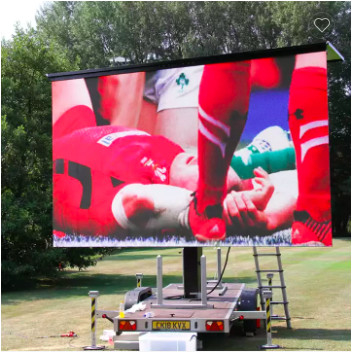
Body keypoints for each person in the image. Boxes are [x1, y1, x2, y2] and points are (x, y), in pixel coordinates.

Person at [53, 124, 294, 242]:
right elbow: (298, 199)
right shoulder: (180, 163)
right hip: (74, 135)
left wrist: (262, 221)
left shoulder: (131, 189)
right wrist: (270, 218)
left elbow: (136, 202)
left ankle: (251, 157)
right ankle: (252, 156)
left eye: (213, 175)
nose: (205, 160)